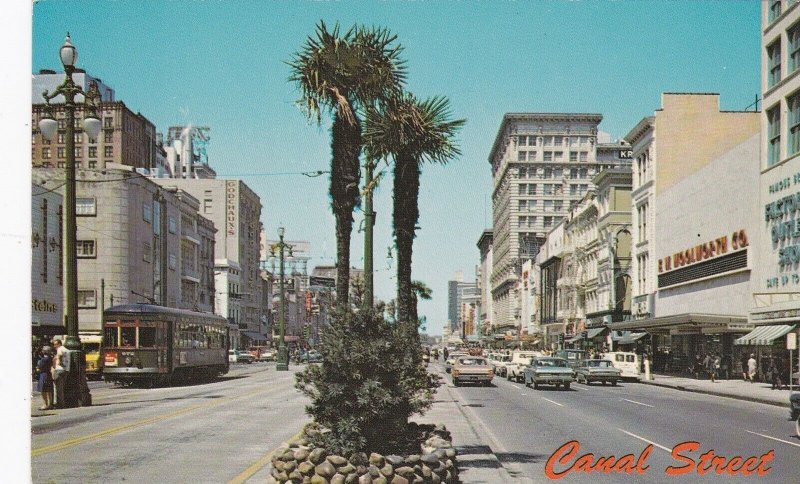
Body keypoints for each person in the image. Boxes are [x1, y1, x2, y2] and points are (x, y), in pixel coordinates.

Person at [51, 339, 68, 408]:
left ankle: (59, 403)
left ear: (59, 344)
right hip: (65, 370)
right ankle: (61, 403)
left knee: (57, 388)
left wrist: (58, 363)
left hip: (59, 370)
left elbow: (60, 356)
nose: (54, 346)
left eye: (55, 344)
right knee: (61, 387)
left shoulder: (60, 349)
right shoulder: (66, 350)